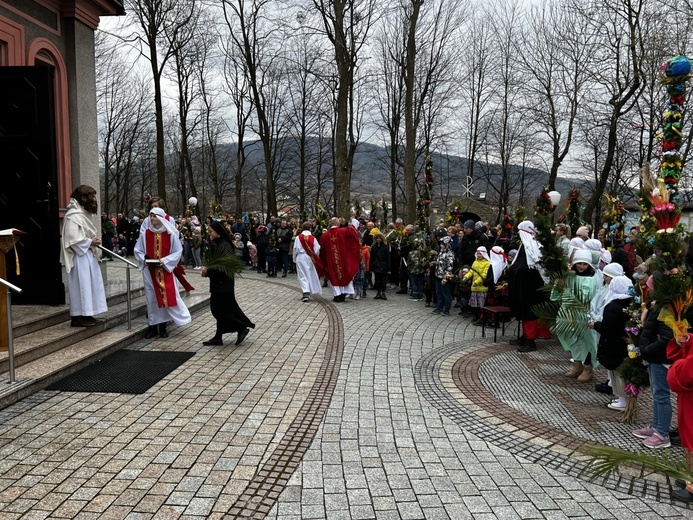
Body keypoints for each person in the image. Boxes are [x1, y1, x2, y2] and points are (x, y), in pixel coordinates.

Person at [134, 207, 192, 339]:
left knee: (165, 297)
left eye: (154, 216)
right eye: (151, 216)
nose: (152, 218)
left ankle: (163, 327)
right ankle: (153, 326)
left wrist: (165, 261)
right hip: (150, 272)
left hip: (165, 270)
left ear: (161, 217)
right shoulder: (145, 234)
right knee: (152, 298)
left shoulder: (170, 234)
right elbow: (138, 250)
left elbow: (177, 252)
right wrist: (145, 259)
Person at [200, 220, 255, 346]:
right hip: (220, 284)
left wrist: (208, 271)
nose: (209, 233)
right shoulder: (217, 243)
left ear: (218, 233)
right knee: (222, 309)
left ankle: (241, 327)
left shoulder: (224, 245)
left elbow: (222, 267)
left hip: (223, 284)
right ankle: (218, 337)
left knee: (222, 310)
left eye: (211, 231)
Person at [60, 185, 108, 327]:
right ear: (83, 198)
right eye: (92, 196)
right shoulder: (73, 216)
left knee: (90, 285)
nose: (94, 199)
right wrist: (90, 242)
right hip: (79, 257)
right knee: (82, 286)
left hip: (87, 255)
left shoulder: (82, 213)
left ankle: (87, 314)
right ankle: (78, 317)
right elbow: (72, 239)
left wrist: (91, 242)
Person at [590, 275, 633, 408]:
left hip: (614, 345)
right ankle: (622, 398)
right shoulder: (632, 302)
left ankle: (622, 399)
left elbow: (608, 328)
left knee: (618, 374)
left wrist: (595, 325)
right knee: (622, 372)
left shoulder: (614, 305)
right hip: (627, 343)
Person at [557, 250, 599, 382]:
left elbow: (594, 298)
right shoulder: (569, 276)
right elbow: (557, 295)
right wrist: (559, 285)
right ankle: (577, 364)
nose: (581, 267)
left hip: (584, 314)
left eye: (584, 264)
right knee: (573, 340)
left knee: (586, 342)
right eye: (579, 263)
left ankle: (588, 368)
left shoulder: (593, 279)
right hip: (568, 314)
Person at [319, 217, 361, 302]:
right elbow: (353, 233)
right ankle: (343, 293)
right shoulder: (343, 231)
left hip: (331, 261)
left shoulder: (325, 235)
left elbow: (321, 250)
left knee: (334, 276)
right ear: (338, 224)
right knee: (344, 274)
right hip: (343, 260)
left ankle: (337, 295)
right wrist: (352, 221)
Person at [293, 222, 324, 302]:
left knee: (302, 275)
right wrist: (315, 257)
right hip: (309, 257)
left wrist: (294, 259)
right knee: (309, 274)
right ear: (310, 228)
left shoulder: (298, 237)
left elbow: (295, 249)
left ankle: (305, 292)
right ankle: (310, 290)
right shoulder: (313, 238)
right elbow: (317, 249)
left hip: (300, 257)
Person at [432, 235, 455, 316]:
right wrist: (434, 263)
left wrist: (445, 278)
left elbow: (449, 267)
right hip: (438, 276)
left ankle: (447, 309)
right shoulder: (441, 252)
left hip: (444, 278)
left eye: (442, 244)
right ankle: (439, 307)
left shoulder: (450, 254)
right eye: (440, 244)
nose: (441, 245)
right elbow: (440, 263)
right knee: (439, 293)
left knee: (446, 294)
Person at [370, 232, 390, 300]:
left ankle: (383, 292)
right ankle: (378, 292)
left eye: (380, 238)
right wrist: (371, 266)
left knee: (383, 280)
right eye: (377, 238)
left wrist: (388, 268)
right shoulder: (374, 247)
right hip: (376, 265)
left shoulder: (385, 247)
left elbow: (388, 257)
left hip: (383, 265)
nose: (378, 239)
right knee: (377, 279)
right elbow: (372, 257)